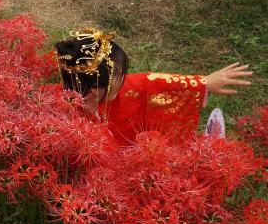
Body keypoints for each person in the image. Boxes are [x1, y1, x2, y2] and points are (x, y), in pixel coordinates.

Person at [54, 29, 253, 145]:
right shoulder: (72, 119)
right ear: (95, 88)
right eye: (118, 76)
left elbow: (151, 83)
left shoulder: (114, 90)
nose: (124, 79)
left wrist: (203, 83)